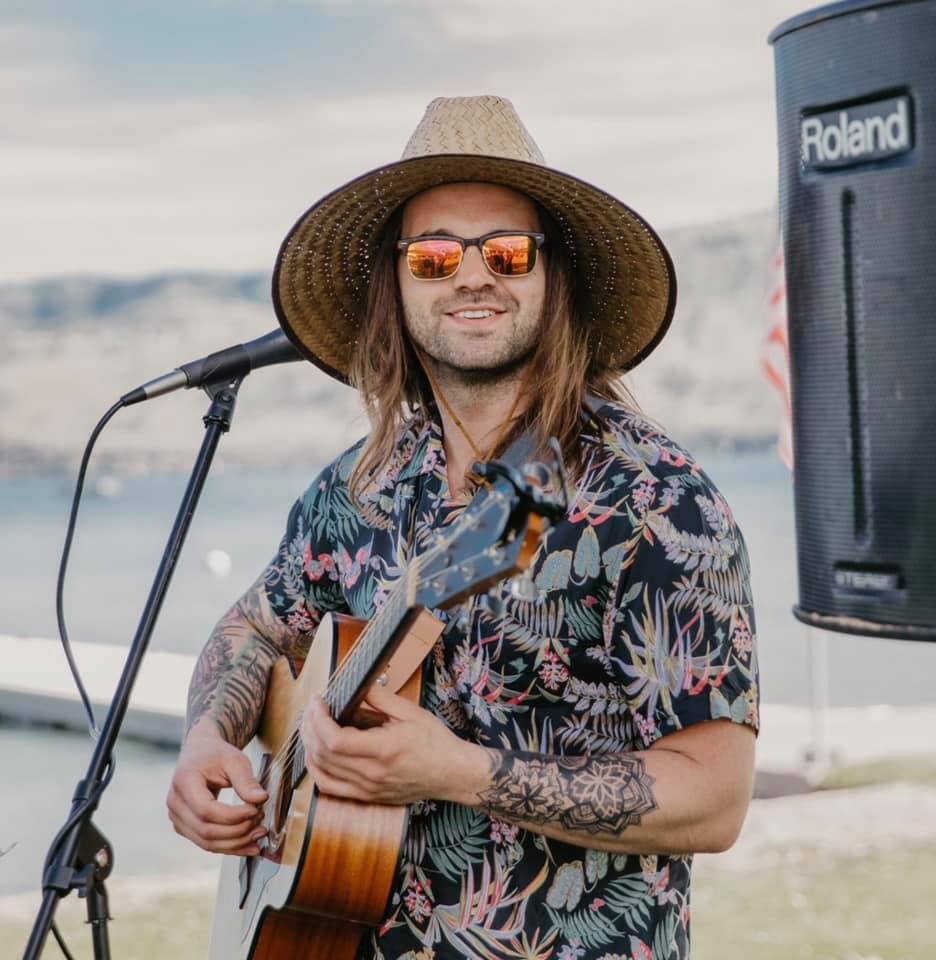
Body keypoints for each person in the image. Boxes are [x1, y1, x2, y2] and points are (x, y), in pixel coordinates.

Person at [167, 95, 759, 960]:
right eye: (435, 256)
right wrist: (206, 740)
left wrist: (460, 772)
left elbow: (717, 797)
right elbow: (257, 626)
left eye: (507, 252)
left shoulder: (653, 499)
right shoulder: (360, 487)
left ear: (553, 279)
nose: (472, 276)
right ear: (396, 286)